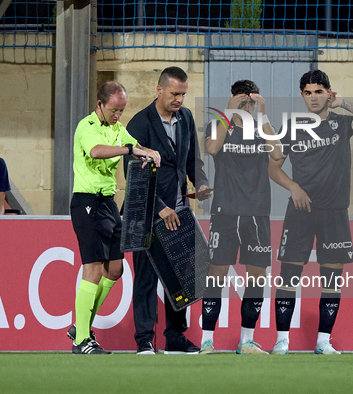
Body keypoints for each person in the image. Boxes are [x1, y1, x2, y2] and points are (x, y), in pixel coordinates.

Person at [269, 70, 353, 355]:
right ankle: (282, 341)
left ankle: (322, 342)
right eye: (308, 92)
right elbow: (273, 167)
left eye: (319, 91)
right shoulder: (291, 128)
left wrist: (343, 103)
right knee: (289, 275)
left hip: (335, 212)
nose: (314, 97)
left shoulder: (342, 124)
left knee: (332, 276)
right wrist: (293, 187)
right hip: (301, 211)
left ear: (328, 93)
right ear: (302, 95)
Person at [68, 81, 160, 354]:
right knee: (94, 269)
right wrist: (130, 150)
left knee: (116, 269)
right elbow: (96, 151)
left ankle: (80, 326)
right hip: (87, 202)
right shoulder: (87, 126)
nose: (118, 115)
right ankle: (81, 339)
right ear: (100, 105)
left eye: (121, 110)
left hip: (108, 204)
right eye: (114, 110)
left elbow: (134, 145)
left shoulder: (118, 129)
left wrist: (148, 153)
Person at [124, 66, 210, 355]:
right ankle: (144, 340)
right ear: (159, 90)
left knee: (180, 279)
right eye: (175, 93)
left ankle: (175, 337)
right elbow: (133, 175)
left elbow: (191, 160)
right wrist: (160, 208)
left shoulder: (185, 118)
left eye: (183, 95)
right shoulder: (139, 123)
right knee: (146, 279)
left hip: (179, 213)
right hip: (146, 214)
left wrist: (203, 184)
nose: (179, 100)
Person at [199, 80, 283, 355]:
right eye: (242, 101)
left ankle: (246, 340)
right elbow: (212, 149)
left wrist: (263, 115)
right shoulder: (218, 125)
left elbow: (279, 154)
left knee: (257, 277)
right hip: (225, 211)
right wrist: (227, 113)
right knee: (217, 276)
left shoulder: (262, 128)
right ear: (233, 99)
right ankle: (207, 341)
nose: (247, 106)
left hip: (257, 213)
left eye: (251, 101)